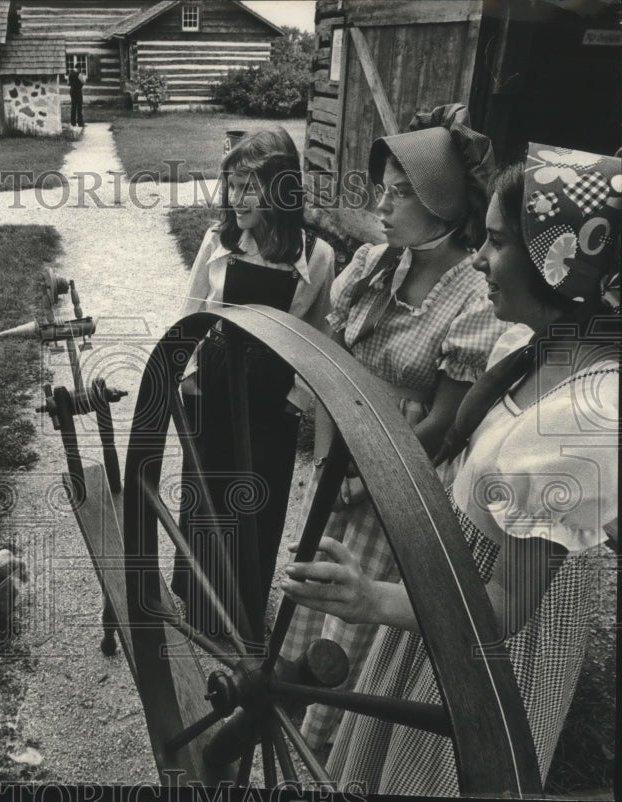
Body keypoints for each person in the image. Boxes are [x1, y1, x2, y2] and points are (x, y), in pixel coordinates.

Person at [280, 143, 620, 795]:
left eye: (497, 243)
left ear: (560, 262)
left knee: (429, 776)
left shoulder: (582, 417)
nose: (481, 259)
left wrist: (369, 597)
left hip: (482, 648)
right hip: (443, 595)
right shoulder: (530, 340)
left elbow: (505, 608)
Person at [279, 104, 510, 749]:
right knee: (318, 586)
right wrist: (332, 464)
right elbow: (331, 370)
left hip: (403, 476)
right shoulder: (373, 266)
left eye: (403, 193)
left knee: (361, 612)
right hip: (343, 457)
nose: (383, 205)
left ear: (443, 204)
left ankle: (335, 739)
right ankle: (293, 691)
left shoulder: (472, 297)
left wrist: (369, 480)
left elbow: (444, 421)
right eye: (383, 189)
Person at [173, 127, 336, 638]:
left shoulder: (318, 256)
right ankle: (198, 601)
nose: (235, 198)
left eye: (249, 186)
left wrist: (295, 400)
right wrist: (186, 380)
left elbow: (317, 339)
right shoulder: (217, 242)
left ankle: (243, 609)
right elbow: (191, 314)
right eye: (231, 184)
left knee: (256, 504)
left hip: (270, 399)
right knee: (206, 494)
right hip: (215, 384)